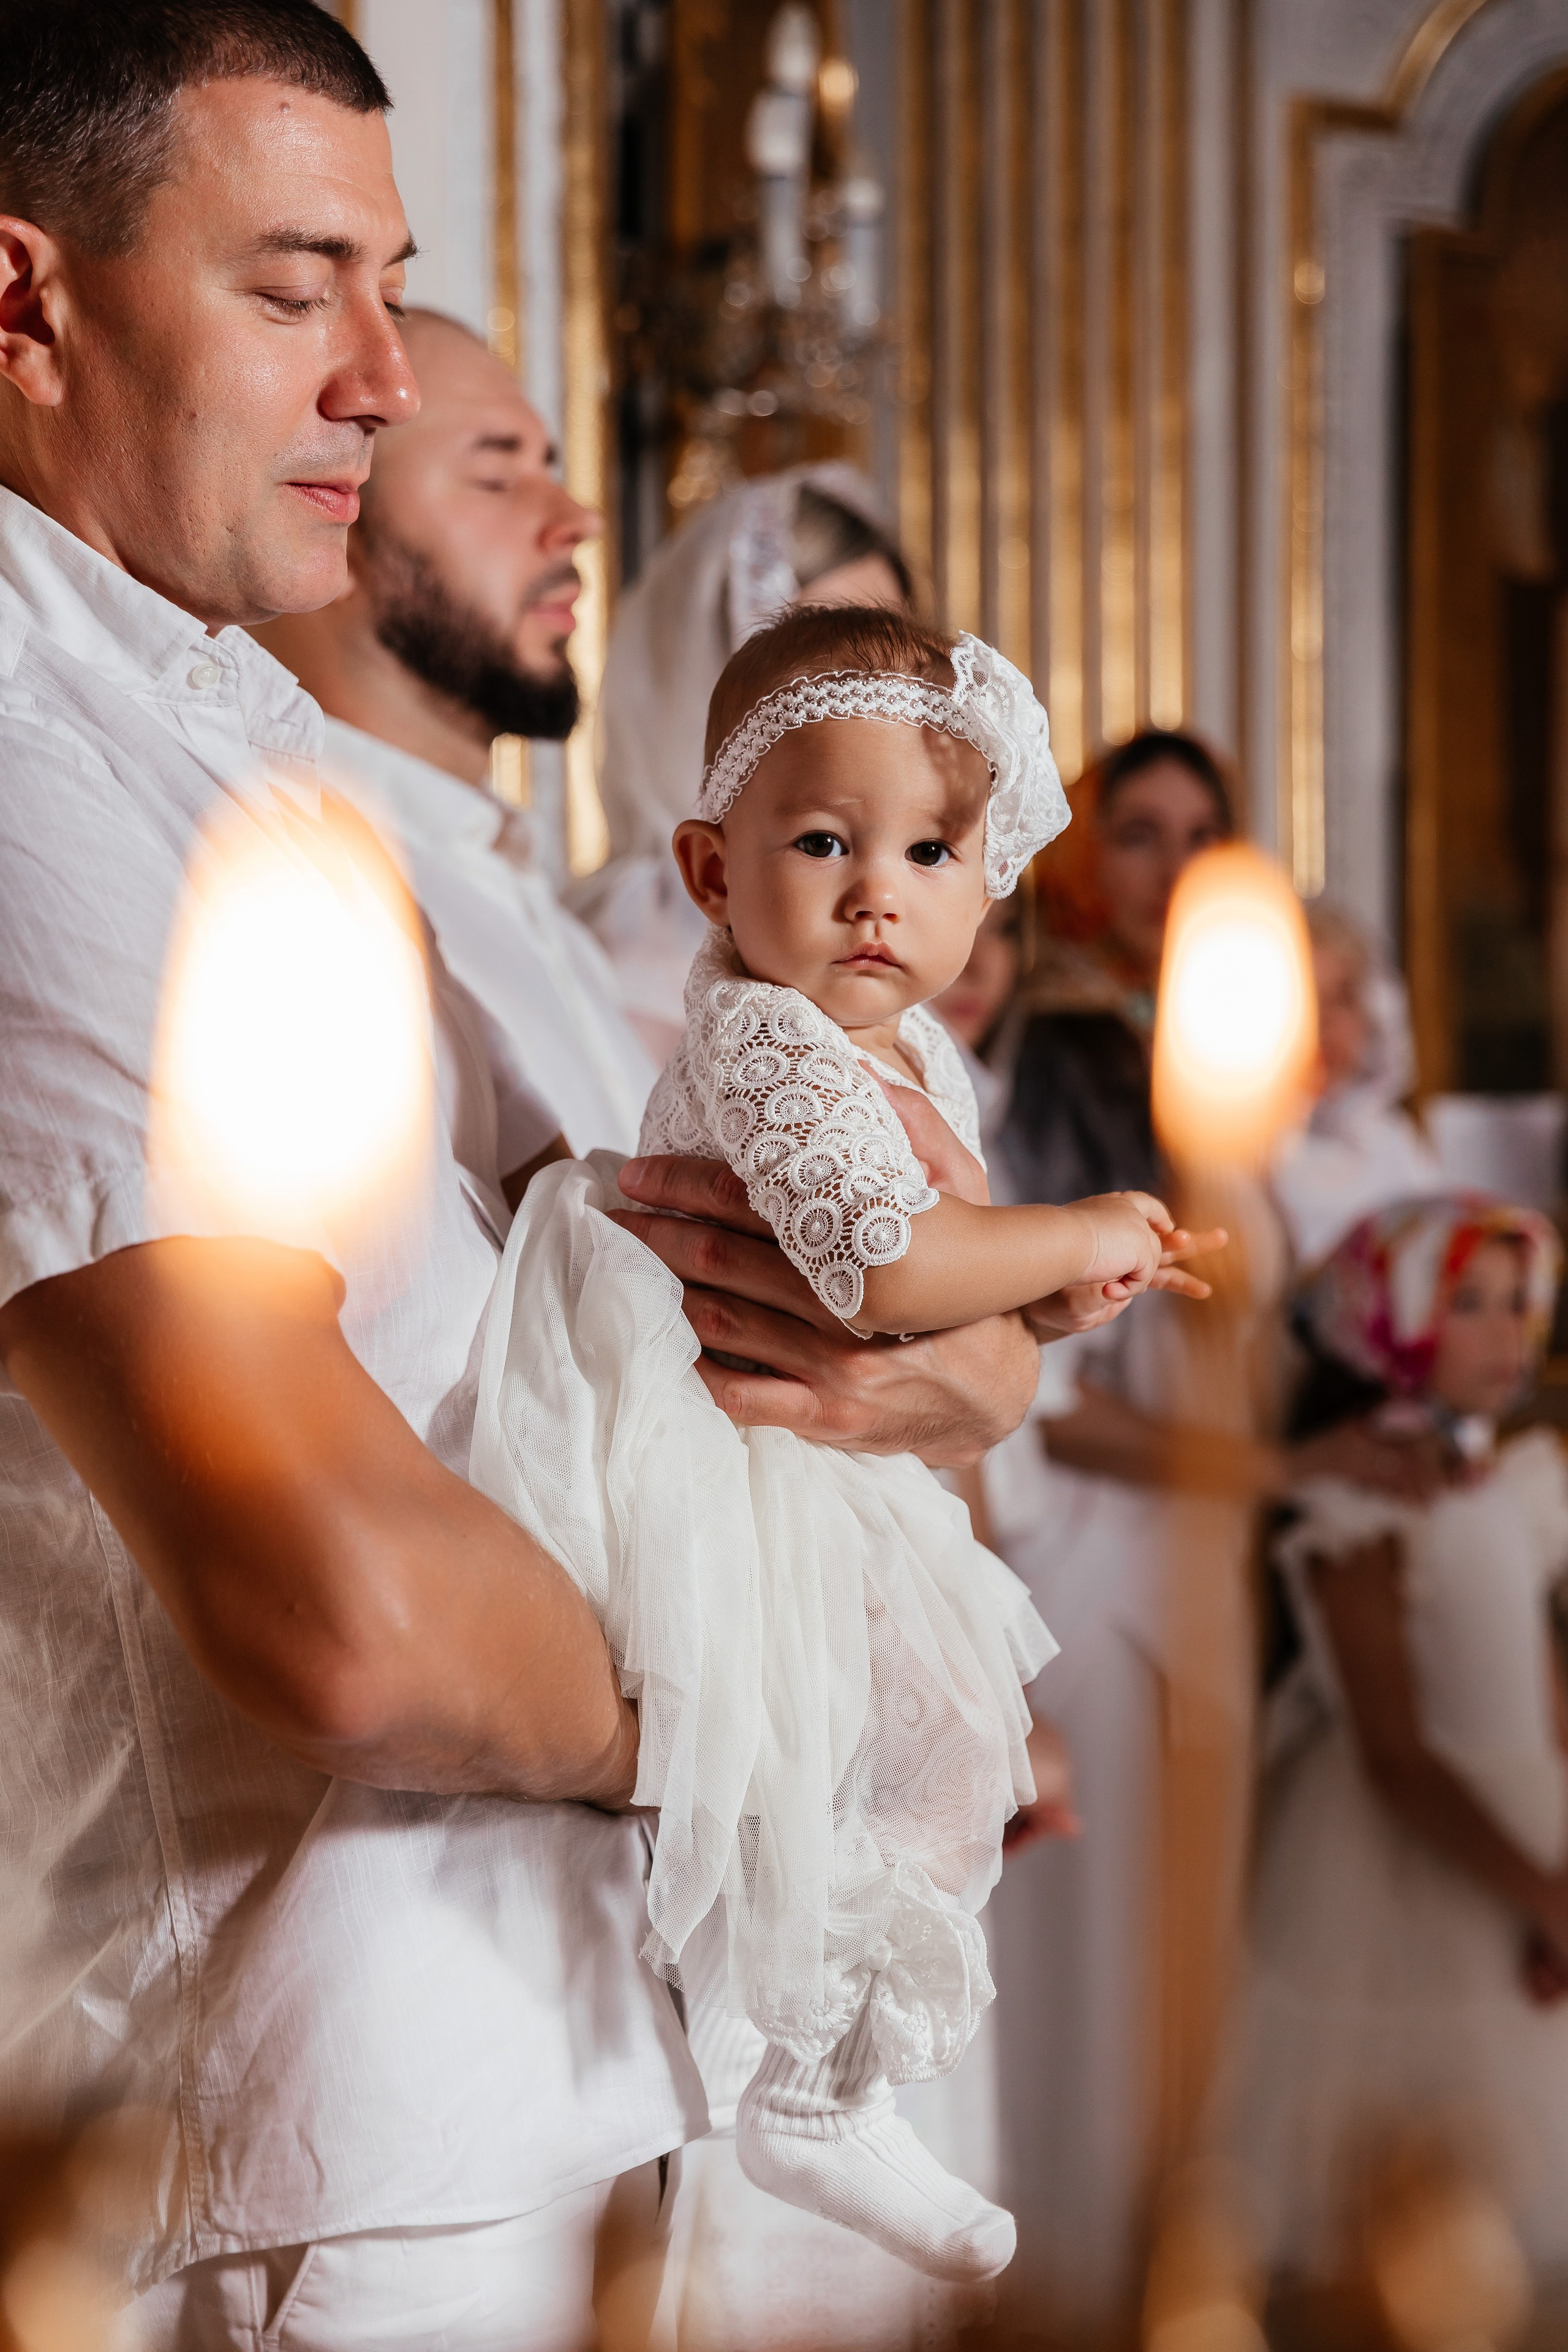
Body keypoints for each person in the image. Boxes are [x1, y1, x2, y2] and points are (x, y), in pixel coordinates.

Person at [0, 9, 1041, 2346]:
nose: (372, 369)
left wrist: (917, 1385)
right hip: (302, 2098)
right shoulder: (32, 783)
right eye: (292, 289)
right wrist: (781, 1712)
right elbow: (339, 1607)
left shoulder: (208, 739)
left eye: (391, 282)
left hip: (487, 2056)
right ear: (24, 304)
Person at [472, 608, 1220, 2290]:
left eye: (933, 847)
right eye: (824, 841)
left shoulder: (910, 1045)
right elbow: (881, 1269)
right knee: (817, 1759)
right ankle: (795, 2078)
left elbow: (948, 1301)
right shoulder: (764, 1040)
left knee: (937, 1764)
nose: (882, 889)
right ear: (711, 872)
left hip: (849, 1461)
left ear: (990, 879)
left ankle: (829, 2079)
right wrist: (1069, 1225)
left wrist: (1054, 1299)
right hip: (744, 1458)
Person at [960, 731, 1447, 2339]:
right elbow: (1050, 1391)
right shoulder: (1061, 1060)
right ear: (1084, 864)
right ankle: (1070, 2269)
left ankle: (1177, 2253)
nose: (1174, 873)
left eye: (1205, 838)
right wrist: (1263, 1468)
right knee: (1082, 1942)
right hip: (1089, 1552)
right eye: (1141, 836)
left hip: (1204, 1554)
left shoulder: (1228, 1060)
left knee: (1188, 1934)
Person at [1223, 1194, 1568, 2291]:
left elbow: (1545, 1698)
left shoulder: (1507, 1489)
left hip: (1526, 1835)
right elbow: (1396, 1755)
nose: (1511, 1334)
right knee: (1400, 2195)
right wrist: (1538, 1890)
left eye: (1521, 1305)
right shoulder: (1357, 1508)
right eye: (1469, 1304)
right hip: (1412, 1859)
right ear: (1392, 1320)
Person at [255, 306, 656, 1170]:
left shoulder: (545, 921)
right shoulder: (289, 895)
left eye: (548, 465)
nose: (578, 519)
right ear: (334, 512)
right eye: (496, 477)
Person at [578, 464, 911, 1064]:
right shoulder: (632, 969)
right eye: (826, 667)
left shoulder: (907, 905)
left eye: (890, 658)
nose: (871, 697)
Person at [1271, 900, 1445, 1270]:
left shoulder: (1395, 1144)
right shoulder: (1239, 1155)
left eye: (1342, 999)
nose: (1325, 1022)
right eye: (1305, 1000)